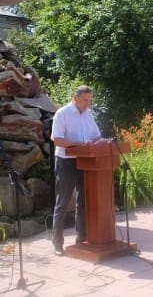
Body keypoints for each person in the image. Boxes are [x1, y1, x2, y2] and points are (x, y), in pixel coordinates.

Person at [50, 85, 110, 255]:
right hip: (66, 162)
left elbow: (95, 136)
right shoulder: (62, 114)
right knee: (62, 203)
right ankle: (57, 243)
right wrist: (80, 144)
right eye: (85, 100)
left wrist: (106, 142)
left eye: (90, 101)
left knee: (83, 201)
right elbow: (57, 140)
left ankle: (81, 237)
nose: (87, 104)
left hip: (86, 162)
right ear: (75, 97)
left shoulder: (89, 114)